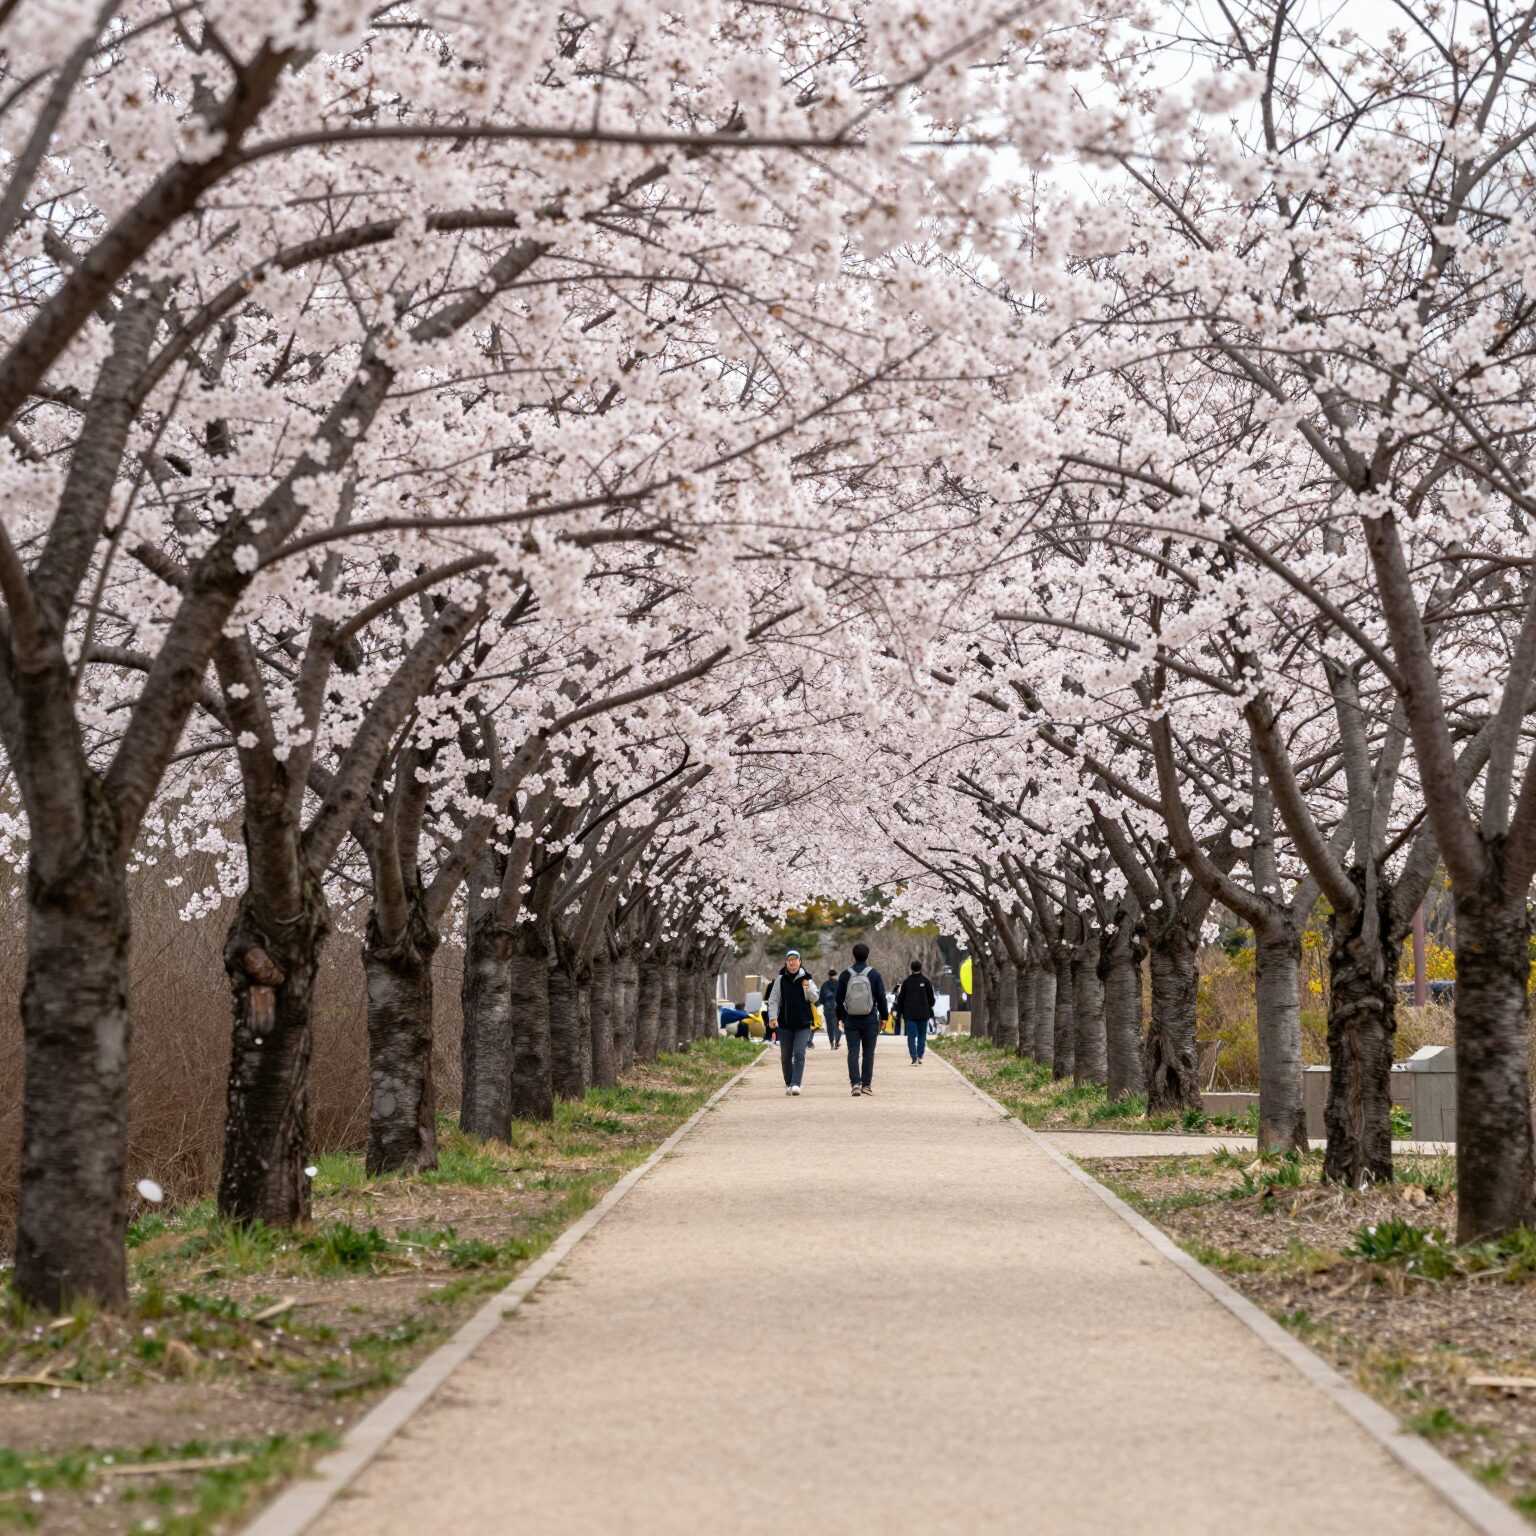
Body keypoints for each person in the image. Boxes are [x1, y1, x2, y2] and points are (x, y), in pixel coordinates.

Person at [836, 942, 888, 1097]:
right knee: (869, 1052)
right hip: (870, 1018)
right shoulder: (874, 974)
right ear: (867, 955)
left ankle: (855, 1084)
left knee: (853, 1052)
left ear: (853, 955)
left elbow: (838, 1000)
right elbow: (881, 998)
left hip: (851, 1019)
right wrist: (884, 1017)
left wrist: (842, 1017)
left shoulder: (845, 974)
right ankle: (866, 1085)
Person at [766, 948, 817, 1096]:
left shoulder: (807, 979)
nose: (792, 963)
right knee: (786, 1057)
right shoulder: (780, 980)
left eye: (795, 960)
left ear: (800, 962)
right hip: (785, 1024)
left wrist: (807, 988)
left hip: (803, 1023)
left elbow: (814, 998)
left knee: (800, 1054)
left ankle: (796, 1084)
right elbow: (773, 1000)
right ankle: (789, 1083)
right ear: (786, 962)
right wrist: (772, 1018)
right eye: (789, 960)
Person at [897, 960, 937, 1063]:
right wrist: (929, 1006)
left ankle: (913, 1055)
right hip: (923, 1013)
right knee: (922, 1035)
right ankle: (919, 1055)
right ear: (921, 968)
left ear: (911, 968)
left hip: (909, 1014)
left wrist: (900, 1011)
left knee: (911, 1035)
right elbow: (931, 999)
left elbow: (901, 999)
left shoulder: (906, 982)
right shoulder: (926, 981)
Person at [819, 969, 842, 1050]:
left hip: (827, 1008)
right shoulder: (839, 984)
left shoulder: (824, 985)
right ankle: (837, 1040)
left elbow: (821, 999)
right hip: (836, 1007)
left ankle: (832, 1042)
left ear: (828, 976)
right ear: (835, 975)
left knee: (829, 1026)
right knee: (836, 1025)